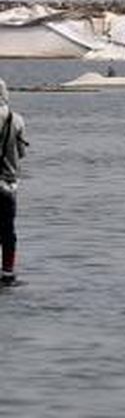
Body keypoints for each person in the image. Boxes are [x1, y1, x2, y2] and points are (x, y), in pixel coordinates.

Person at [0, 78, 30, 284]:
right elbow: (21, 153)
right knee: (8, 230)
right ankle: (8, 272)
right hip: (9, 184)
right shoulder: (17, 119)